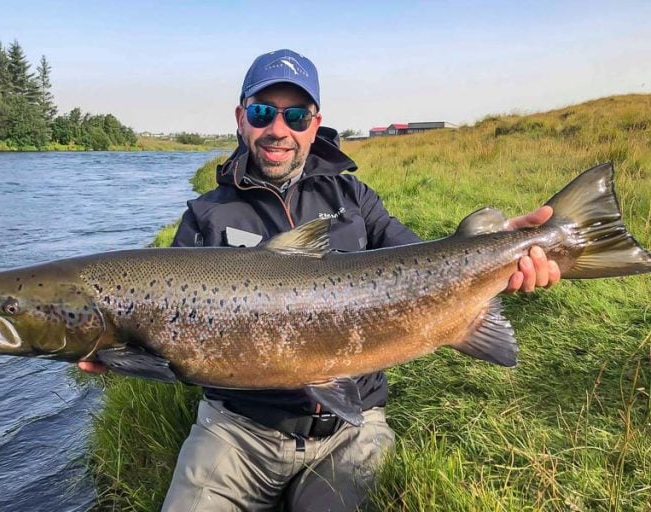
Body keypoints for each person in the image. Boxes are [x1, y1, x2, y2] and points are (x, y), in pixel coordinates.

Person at [80, 49, 561, 511]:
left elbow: (429, 261)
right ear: (240, 116)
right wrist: (115, 349)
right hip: (238, 428)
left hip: (354, 427)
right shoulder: (205, 215)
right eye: (264, 111)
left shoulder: (353, 196)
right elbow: (160, 331)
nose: (277, 130)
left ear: (315, 123)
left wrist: (505, 247)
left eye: (295, 117)